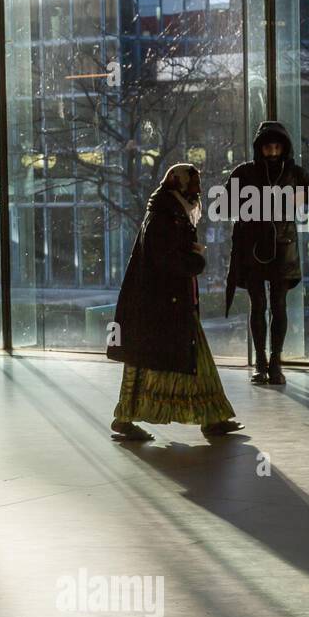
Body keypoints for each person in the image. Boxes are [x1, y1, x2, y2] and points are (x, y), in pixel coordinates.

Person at [106, 163, 243, 442]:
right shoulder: (164, 216)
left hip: (166, 303)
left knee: (151, 360)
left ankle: (129, 418)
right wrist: (195, 259)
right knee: (169, 359)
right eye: (193, 185)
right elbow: (166, 259)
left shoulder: (171, 212)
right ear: (177, 184)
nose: (198, 191)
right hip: (164, 304)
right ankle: (210, 417)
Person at [223, 121, 309, 385]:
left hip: (280, 248)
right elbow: (224, 205)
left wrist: (302, 195)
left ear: (283, 148)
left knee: (278, 306)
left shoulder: (292, 173)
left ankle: (274, 361)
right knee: (259, 305)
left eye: (276, 147)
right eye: (268, 147)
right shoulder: (244, 173)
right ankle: (262, 361)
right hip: (255, 247)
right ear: (260, 148)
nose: (272, 152)